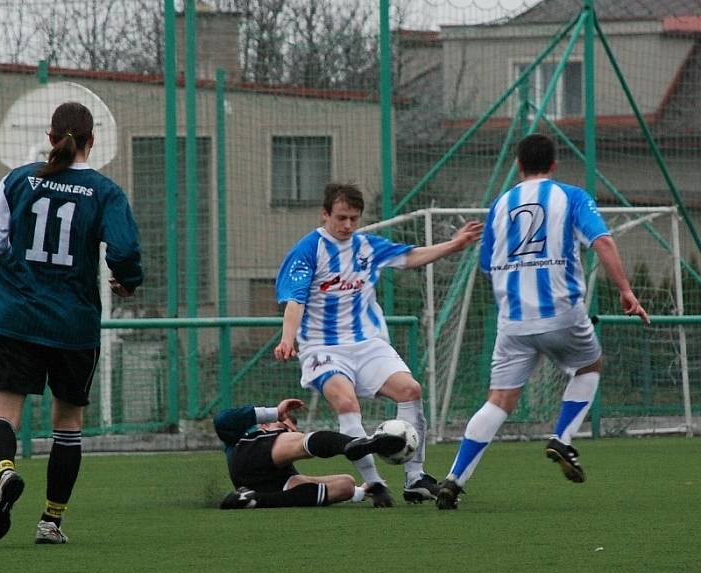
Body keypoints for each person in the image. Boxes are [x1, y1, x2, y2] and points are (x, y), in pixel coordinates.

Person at [436, 133, 650, 510]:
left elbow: (486, 265)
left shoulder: (500, 205)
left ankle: (454, 478)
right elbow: (602, 241)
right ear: (554, 165)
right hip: (561, 312)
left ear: (518, 166)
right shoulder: (570, 196)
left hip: (513, 322)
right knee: (589, 365)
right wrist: (626, 289)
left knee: (499, 401)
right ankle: (563, 438)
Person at [0, 102, 143, 542]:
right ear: (92, 140)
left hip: (18, 317)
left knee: (3, 413)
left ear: (50, 139)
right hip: (74, 323)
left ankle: (6, 472)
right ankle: (51, 521)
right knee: (67, 423)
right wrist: (127, 279)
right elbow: (124, 251)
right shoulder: (105, 192)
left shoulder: (18, 180)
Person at [274, 183, 483, 507]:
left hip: (368, 344)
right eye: (341, 217)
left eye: (353, 219)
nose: (347, 225)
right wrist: (288, 338)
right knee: (346, 404)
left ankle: (415, 478)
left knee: (410, 390)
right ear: (325, 214)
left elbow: (409, 256)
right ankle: (374, 484)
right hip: (323, 348)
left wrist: (454, 246)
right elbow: (295, 302)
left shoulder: (366, 246)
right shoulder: (308, 250)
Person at [215, 398, 406, 509]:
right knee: (300, 442)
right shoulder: (247, 435)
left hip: (264, 484)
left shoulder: (282, 462)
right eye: (282, 428)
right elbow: (221, 420)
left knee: (346, 485)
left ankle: (251, 500)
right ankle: (353, 444)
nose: (286, 431)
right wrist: (274, 412)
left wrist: (361, 492)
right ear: (264, 426)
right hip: (248, 460)